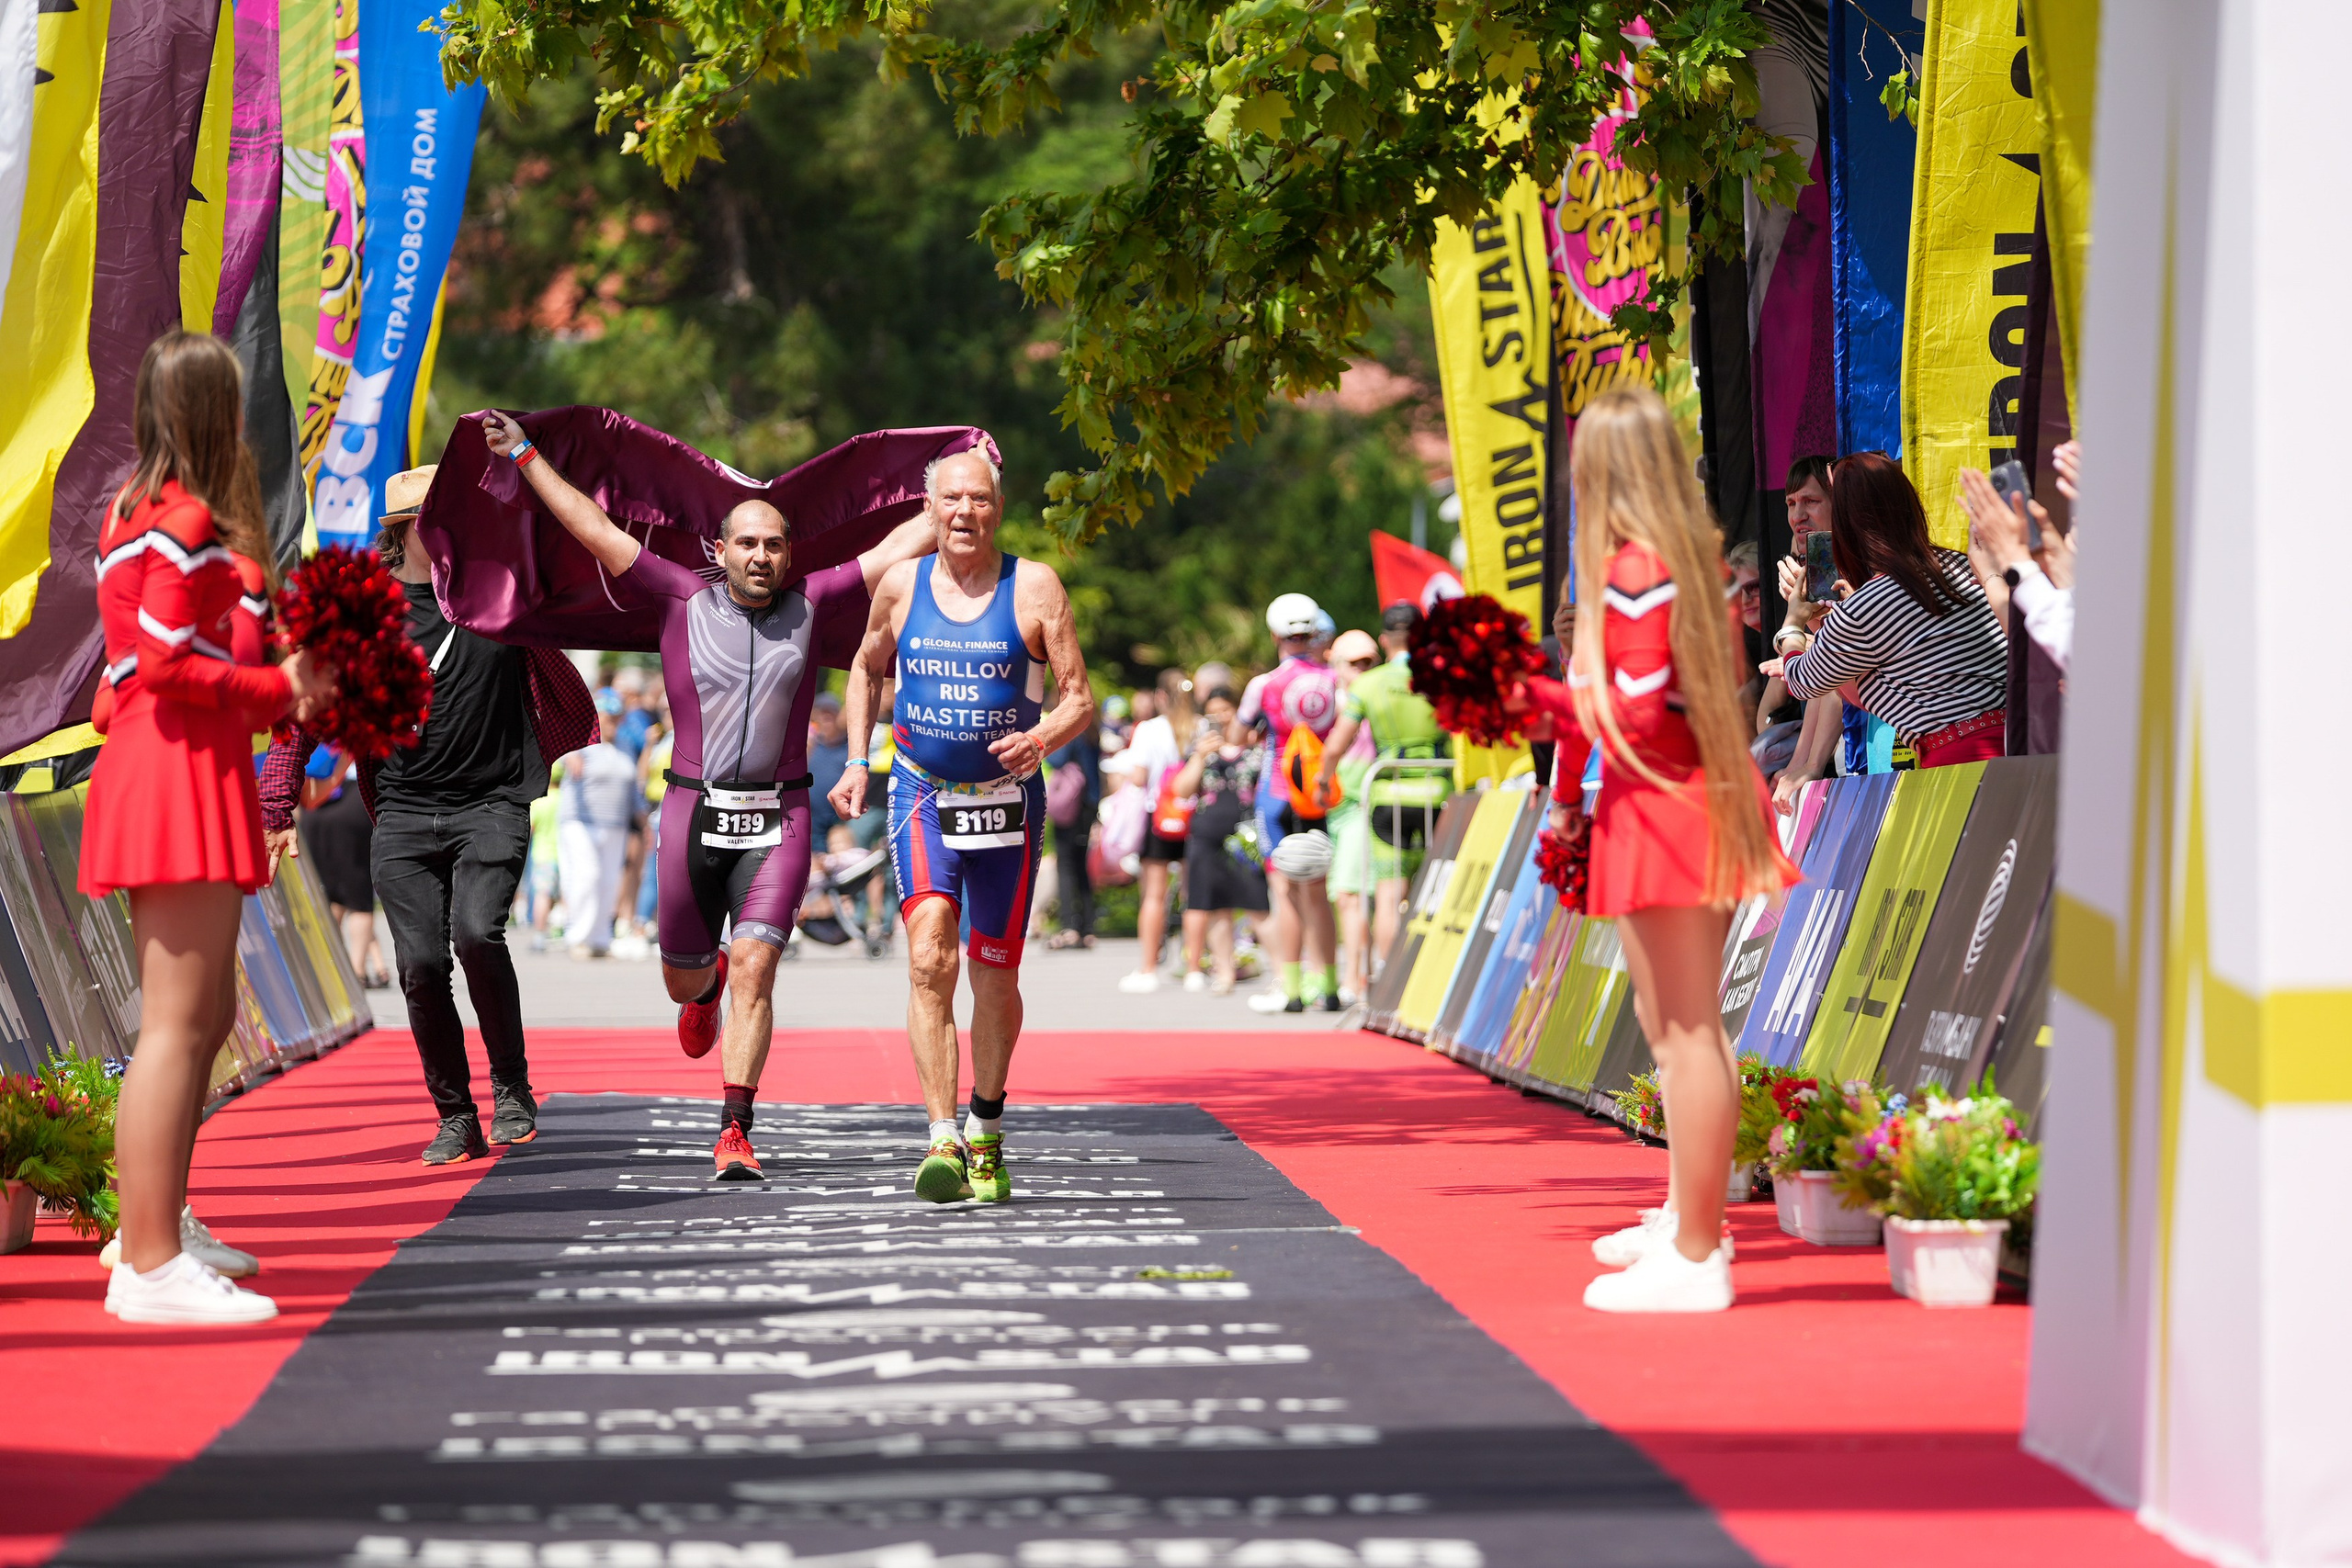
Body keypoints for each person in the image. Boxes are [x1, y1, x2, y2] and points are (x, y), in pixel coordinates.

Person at [483, 410, 940, 1179]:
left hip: (780, 818)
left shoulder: (814, 600)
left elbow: (897, 545)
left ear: (789, 553)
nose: (762, 556)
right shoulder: (676, 596)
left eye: (774, 544)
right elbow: (592, 524)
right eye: (748, 543)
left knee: (760, 964)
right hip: (692, 814)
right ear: (718, 550)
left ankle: (735, 1127)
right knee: (684, 981)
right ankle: (706, 983)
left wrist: (959, 498)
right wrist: (526, 454)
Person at [1513, 384, 1797, 1314]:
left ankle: (1697, 1246)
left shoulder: (1638, 571)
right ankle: (1686, 1218)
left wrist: (1541, 697)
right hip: (1683, 794)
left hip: (1669, 802)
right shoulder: (1681, 563)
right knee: (1683, 1027)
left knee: (1683, 1033)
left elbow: (1629, 709)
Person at [86, 332, 333, 1324]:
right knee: (176, 1027)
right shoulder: (179, 520)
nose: (245, 424)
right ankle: (146, 1262)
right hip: (174, 766)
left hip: (190, 763)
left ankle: (157, 1228)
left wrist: (282, 687)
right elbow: (161, 667)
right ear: (209, 414)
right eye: (232, 405)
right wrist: (281, 683)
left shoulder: (150, 513)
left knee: (202, 1022)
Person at [262, 462, 598, 1164]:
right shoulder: (363, 615)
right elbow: (299, 712)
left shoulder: (502, 593)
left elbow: (578, 552)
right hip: (405, 811)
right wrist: (277, 804)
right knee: (418, 964)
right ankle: (455, 1114)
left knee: (478, 933)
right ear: (403, 533)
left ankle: (511, 1087)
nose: (451, 535)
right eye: (436, 523)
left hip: (492, 802)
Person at [830, 447, 1095, 1205]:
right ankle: (941, 1133)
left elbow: (1079, 698)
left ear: (997, 508)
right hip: (920, 790)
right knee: (928, 957)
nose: (964, 513)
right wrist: (856, 759)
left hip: (1008, 801)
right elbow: (865, 665)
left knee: (995, 970)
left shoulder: (1034, 586)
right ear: (930, 508)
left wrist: (1041, 737)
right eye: (951, 500)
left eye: (978, 499)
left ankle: (986, 1124)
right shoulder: (902, 585)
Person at [1770, 452, 2009, 769]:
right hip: (2021, 744)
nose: (1799, 515)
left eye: (1814, 502)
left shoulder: (1867, 605)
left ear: (1847, 519)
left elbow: (1802, 680)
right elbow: (1860, 692)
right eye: (1791, 504)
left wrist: (1793, 622)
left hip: (1961, 763)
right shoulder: (1962, 565)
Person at [1315, 604, 1451, 989]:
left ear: (1385, 640)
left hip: (1389, 793)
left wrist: (1325, 781)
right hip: (1439, 792)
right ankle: (1432, 985)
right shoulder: (1443, 678)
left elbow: (1336, 744)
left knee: (1390, 893)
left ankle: (1391, 988)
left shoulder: (1368, 684)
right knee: (1436, 888)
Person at [1238, 593, 1341, 1013]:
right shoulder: (1335, 680)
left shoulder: (1264, 684)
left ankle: (1292, 988)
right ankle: (1330, 986)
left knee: (1284, 891)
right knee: (1318, 890)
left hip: (1277, 791)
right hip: (1318, 792)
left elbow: (1237, 735)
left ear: (1275, 634)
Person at [1172, 687, 1268, 993]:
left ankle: (1282, 973)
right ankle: (1223, 971)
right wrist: (1200, 756)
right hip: (1206, 836)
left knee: (1258, 905)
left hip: (1245, 839)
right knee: (1214, 907)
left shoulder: (1256, 750)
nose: (1221, 718)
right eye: (1214, 712)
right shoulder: (1199, 750)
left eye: (1226, 710)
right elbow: (1181, 790)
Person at [1115, 668, 1196, 991]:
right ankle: (1194, 968)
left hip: (1158, 816)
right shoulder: (1200, 727)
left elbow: (1138, 777)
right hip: (1192, 816)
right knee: (1194, 895)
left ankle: (1148, 969)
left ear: (1161, 696)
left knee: (1153, 896)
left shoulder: (1149, 729)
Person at [560, 692, 641, 955]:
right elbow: (560, 754)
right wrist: (568, 756)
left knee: (608, 880)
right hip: (581, 822)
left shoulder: (625, 745)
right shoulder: (581, 741)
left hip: (615, 823)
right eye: (609, 717)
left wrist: (641, 820)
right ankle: (577, 937)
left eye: (617, 718)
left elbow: (633, 787)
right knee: (587, 876)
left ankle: (600, 938)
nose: (613, 723)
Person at [1044, 709, 1102, 949]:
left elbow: (1055, 759)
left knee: (1066, 865)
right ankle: (1087, 925)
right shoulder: (1092, 729)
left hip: (1072, 805)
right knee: (1080, 866)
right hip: (1087, 803)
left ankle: (1069, 926)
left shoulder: (1073, 731)